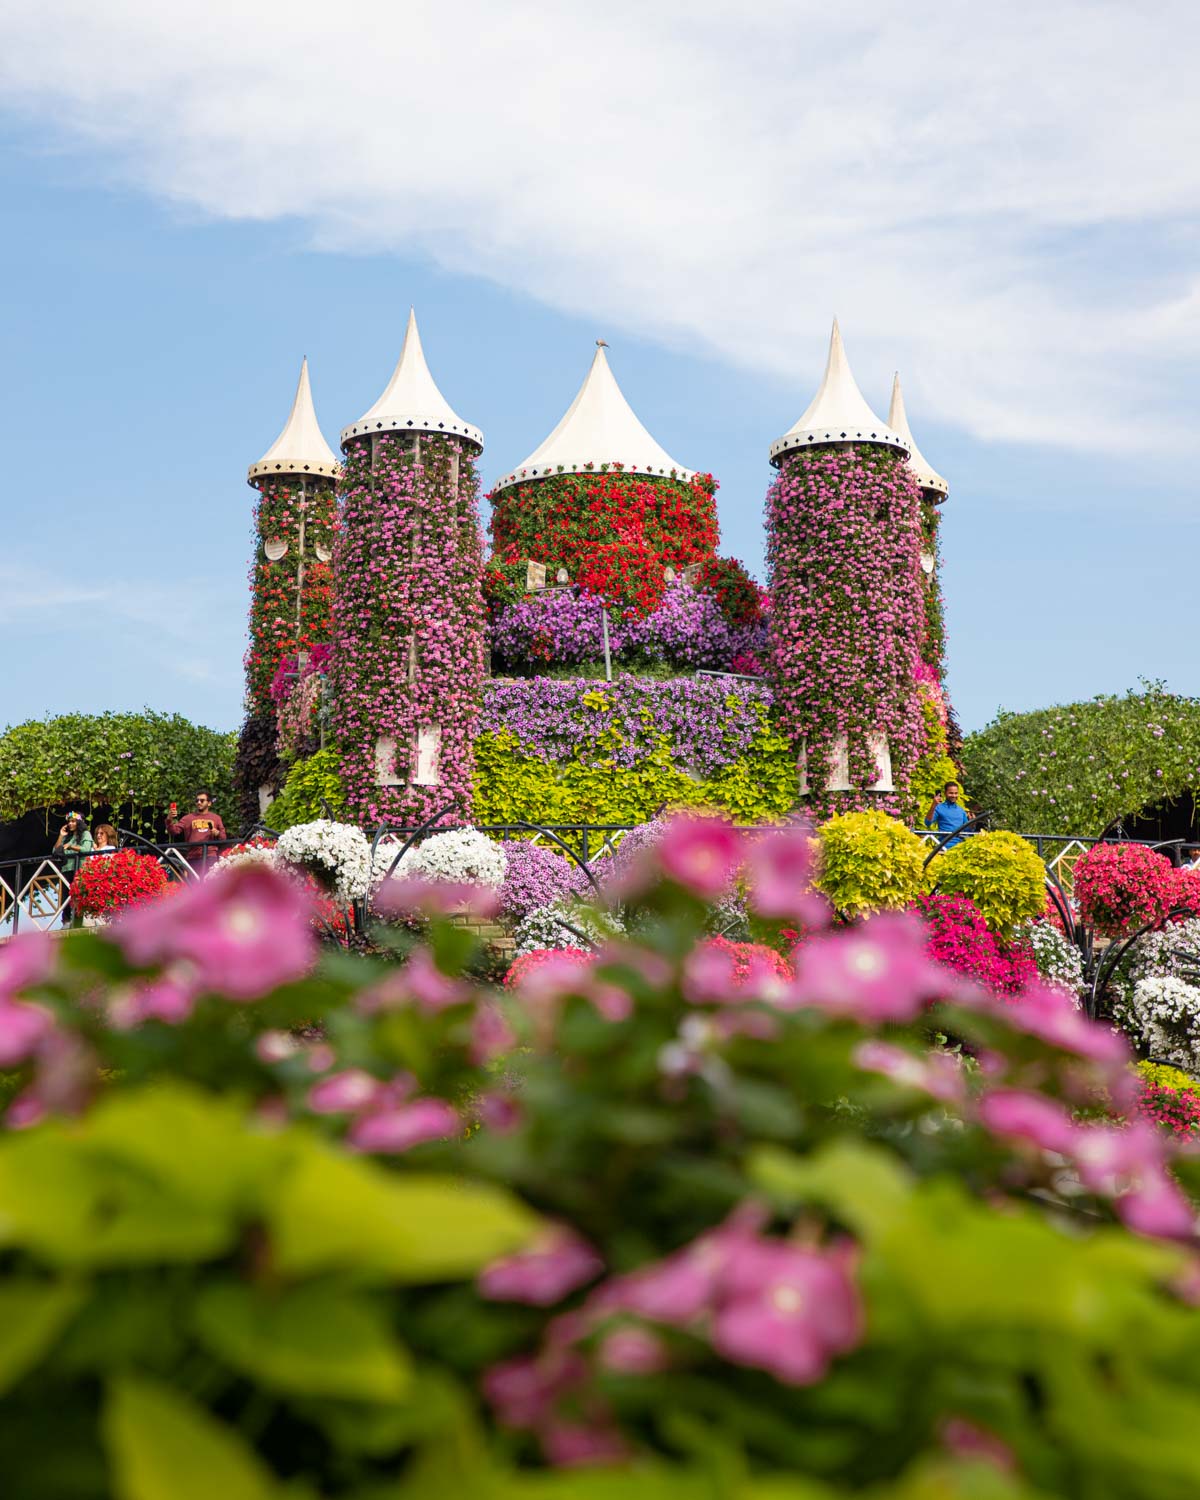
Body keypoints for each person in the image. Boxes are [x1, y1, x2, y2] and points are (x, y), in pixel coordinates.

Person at [166, 790, 227, 871]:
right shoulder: (187, 818)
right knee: (194, 883)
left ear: (209, 803)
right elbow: (174, 831)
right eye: (197, 800)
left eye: (202, 800)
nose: (199, 802)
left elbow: (223, 838)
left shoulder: (216, 818)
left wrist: (217, 833)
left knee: (210, 882)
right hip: (193, 857)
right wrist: (169, 819)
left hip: (210, 856)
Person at [52, 811, 93, 923]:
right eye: (69, 821)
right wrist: (61, 835)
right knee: (65, 897)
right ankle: (66, 921)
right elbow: (55, 851)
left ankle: (78, 922)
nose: (70, 823)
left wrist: (71, 847)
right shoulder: (67, 837)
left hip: (79, 869)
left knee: (78, 896)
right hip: (66, 869)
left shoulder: (86, 834)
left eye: (73, 821)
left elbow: (86, 849)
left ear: (79, 822)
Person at [925, 780, 971, 849]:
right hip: (943, 846)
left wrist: (973, 822)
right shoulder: (939, 808)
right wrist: (933, 805)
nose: (954, 795)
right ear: (945, 793)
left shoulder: (961, 811)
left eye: (956, 793)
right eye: (951, 793)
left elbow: (967, 831)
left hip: (959, 847)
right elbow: (927, 822)